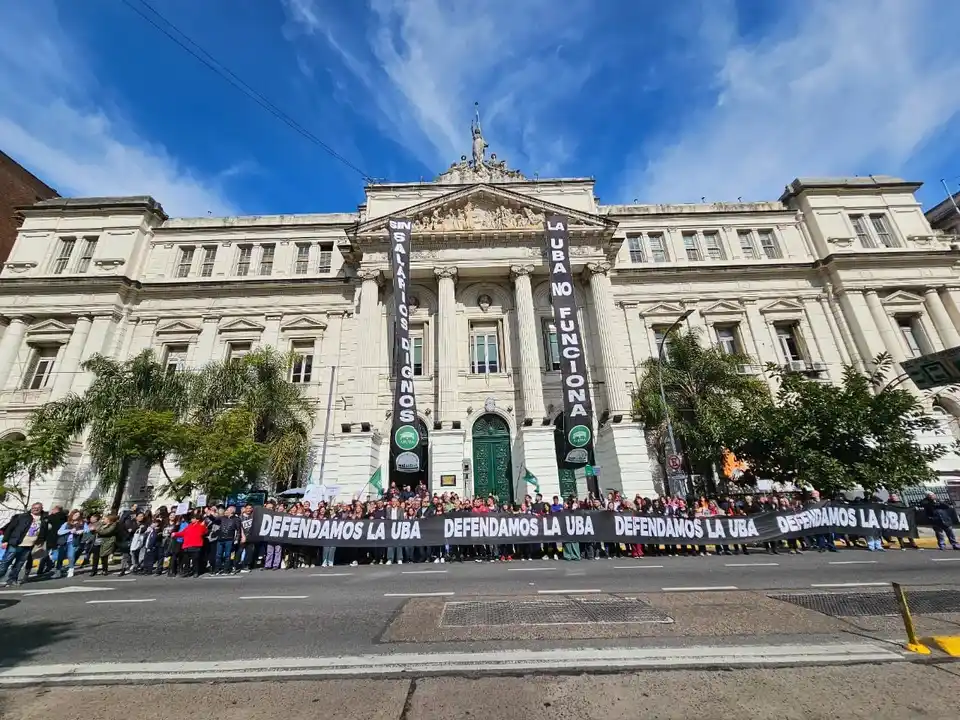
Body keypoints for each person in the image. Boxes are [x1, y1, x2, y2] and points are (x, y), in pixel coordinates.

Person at [0, 503, 47, 587]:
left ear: (41, 509)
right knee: (5, 562)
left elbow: (44, 532)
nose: (35, 509)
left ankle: (12, 580)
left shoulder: (44, 519)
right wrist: (5, 541)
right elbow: (10, 528)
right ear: (31, 508)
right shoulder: (21, 516)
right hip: (15, 544)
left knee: (19, 564)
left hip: (29, 546)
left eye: (38, 508)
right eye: (34, 507)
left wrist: (41, 541)